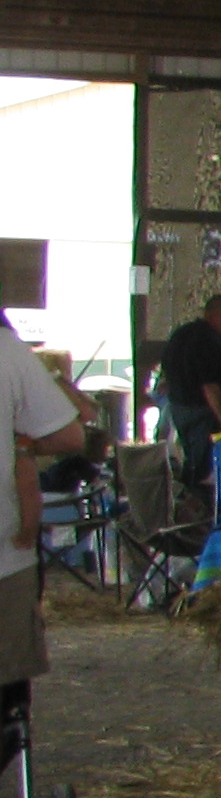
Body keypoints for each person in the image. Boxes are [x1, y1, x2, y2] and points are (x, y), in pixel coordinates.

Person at [0, 311, 91, 747]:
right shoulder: (7, 352)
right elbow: (71, 436)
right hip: (4, 556)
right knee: (6, 693)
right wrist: (20, 446)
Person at [157, 292, 221, 485]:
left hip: (179, 408)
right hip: (203, 412)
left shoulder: (180, 334)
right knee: (203, 464)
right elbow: (209, 386)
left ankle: (189, 492)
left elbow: (166, 372)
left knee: (190, 456)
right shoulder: (208, 341)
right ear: (214, 314)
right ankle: (195, 496)